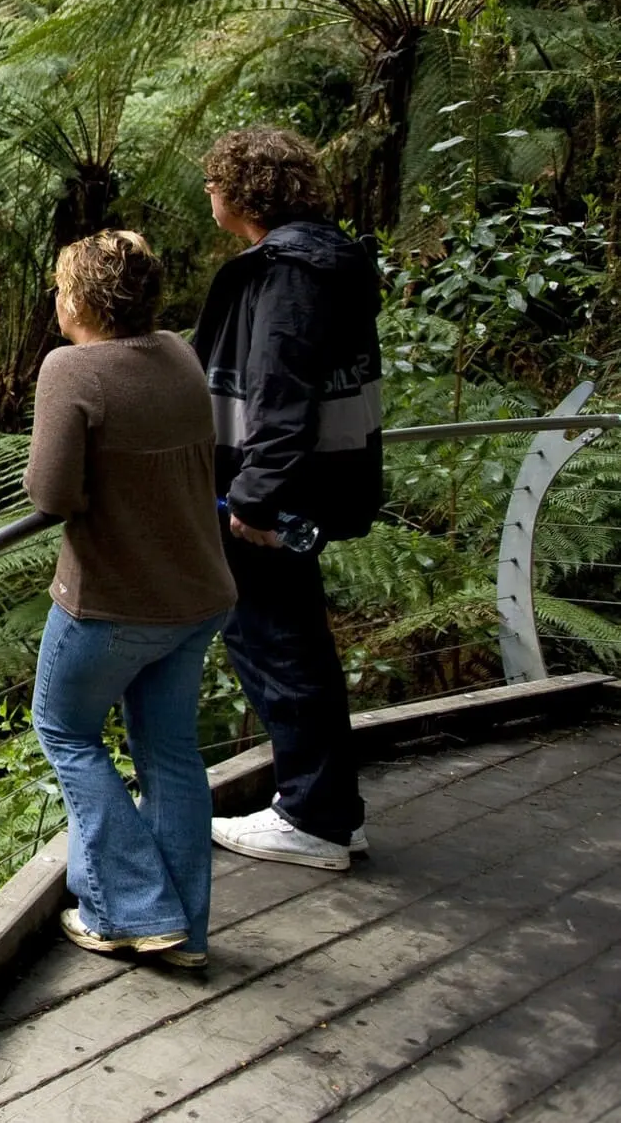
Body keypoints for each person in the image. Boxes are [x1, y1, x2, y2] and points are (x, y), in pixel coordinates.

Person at [27, 230, 235, 970]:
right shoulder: (176, 353)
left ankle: (131, 911)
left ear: (82, 298)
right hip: (198, 591)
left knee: (65, 732)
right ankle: (186, 932)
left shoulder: (73, 370)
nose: (55, 300)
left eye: (59, 287)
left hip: (113, 604)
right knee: (171, 754)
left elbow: (50, 494)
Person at [195, 127, 383, 871]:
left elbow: (279, 393)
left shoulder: (288, 273)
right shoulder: (324, 259)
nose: (209, 195)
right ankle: (331, 809)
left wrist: (255, 497)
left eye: (214, 184)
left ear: (241, 194)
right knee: (296, 640)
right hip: (311, 483)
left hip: (276, 496)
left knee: (276, 646)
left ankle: (314, 818)